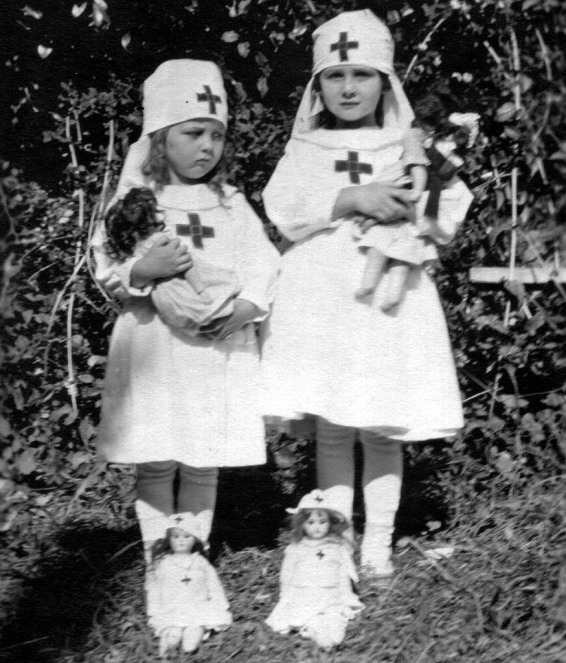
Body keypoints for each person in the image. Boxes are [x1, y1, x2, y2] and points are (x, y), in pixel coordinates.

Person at [261, 10, 474, 578]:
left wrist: (416, 204)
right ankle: (337, 537)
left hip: (386, 305)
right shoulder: (305, 148)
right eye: (335, 76)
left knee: (380, 424)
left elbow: (444, 214)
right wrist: (350, 199)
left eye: (363, 75)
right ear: (317, 86)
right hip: (321, 299)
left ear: (386, 81)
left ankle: (378, 539)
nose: (349, 88)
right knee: (333, 425)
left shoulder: (408, 145)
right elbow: (284, 209)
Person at [92, 59, 280, 615]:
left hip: (215, 349)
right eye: (193, 133)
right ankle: (159, 559)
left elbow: (264, 263)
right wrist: (142, 270)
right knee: (157, 457)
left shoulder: (230, 203)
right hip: (156, 346)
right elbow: (106, 263)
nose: (207, 147)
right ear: (159, 138)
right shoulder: (137, 203)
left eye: (216, 135)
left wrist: (247, 306)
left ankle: (192, 558)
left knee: (202, 458)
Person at [265, 489, 363, 649]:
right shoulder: (296, 548)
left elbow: (342, 573)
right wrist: (285, 594)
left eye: (322, 522)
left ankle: (334, 635)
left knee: (334, 618)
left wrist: (345, 594)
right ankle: (316, 632)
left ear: (330, 523)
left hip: (330, 594)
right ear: (302, 524)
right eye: (311, 523)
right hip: (304, 594)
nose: (317, 527)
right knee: (310, 617)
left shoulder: (337, 547)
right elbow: (287, 573)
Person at [149, 513, 232, 657]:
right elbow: (156, 588)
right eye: (176, 536)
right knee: (172, 630)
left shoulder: (200, 562)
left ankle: (193, 635)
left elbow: (213, 583)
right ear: (169, 539)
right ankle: (171, 637)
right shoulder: (165, 564)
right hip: (173, 607)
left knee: (194, 631)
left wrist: (220, 603)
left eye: (187, 536)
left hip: (197, 605)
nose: (181, 540)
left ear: (195, 539)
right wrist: (154, 609)